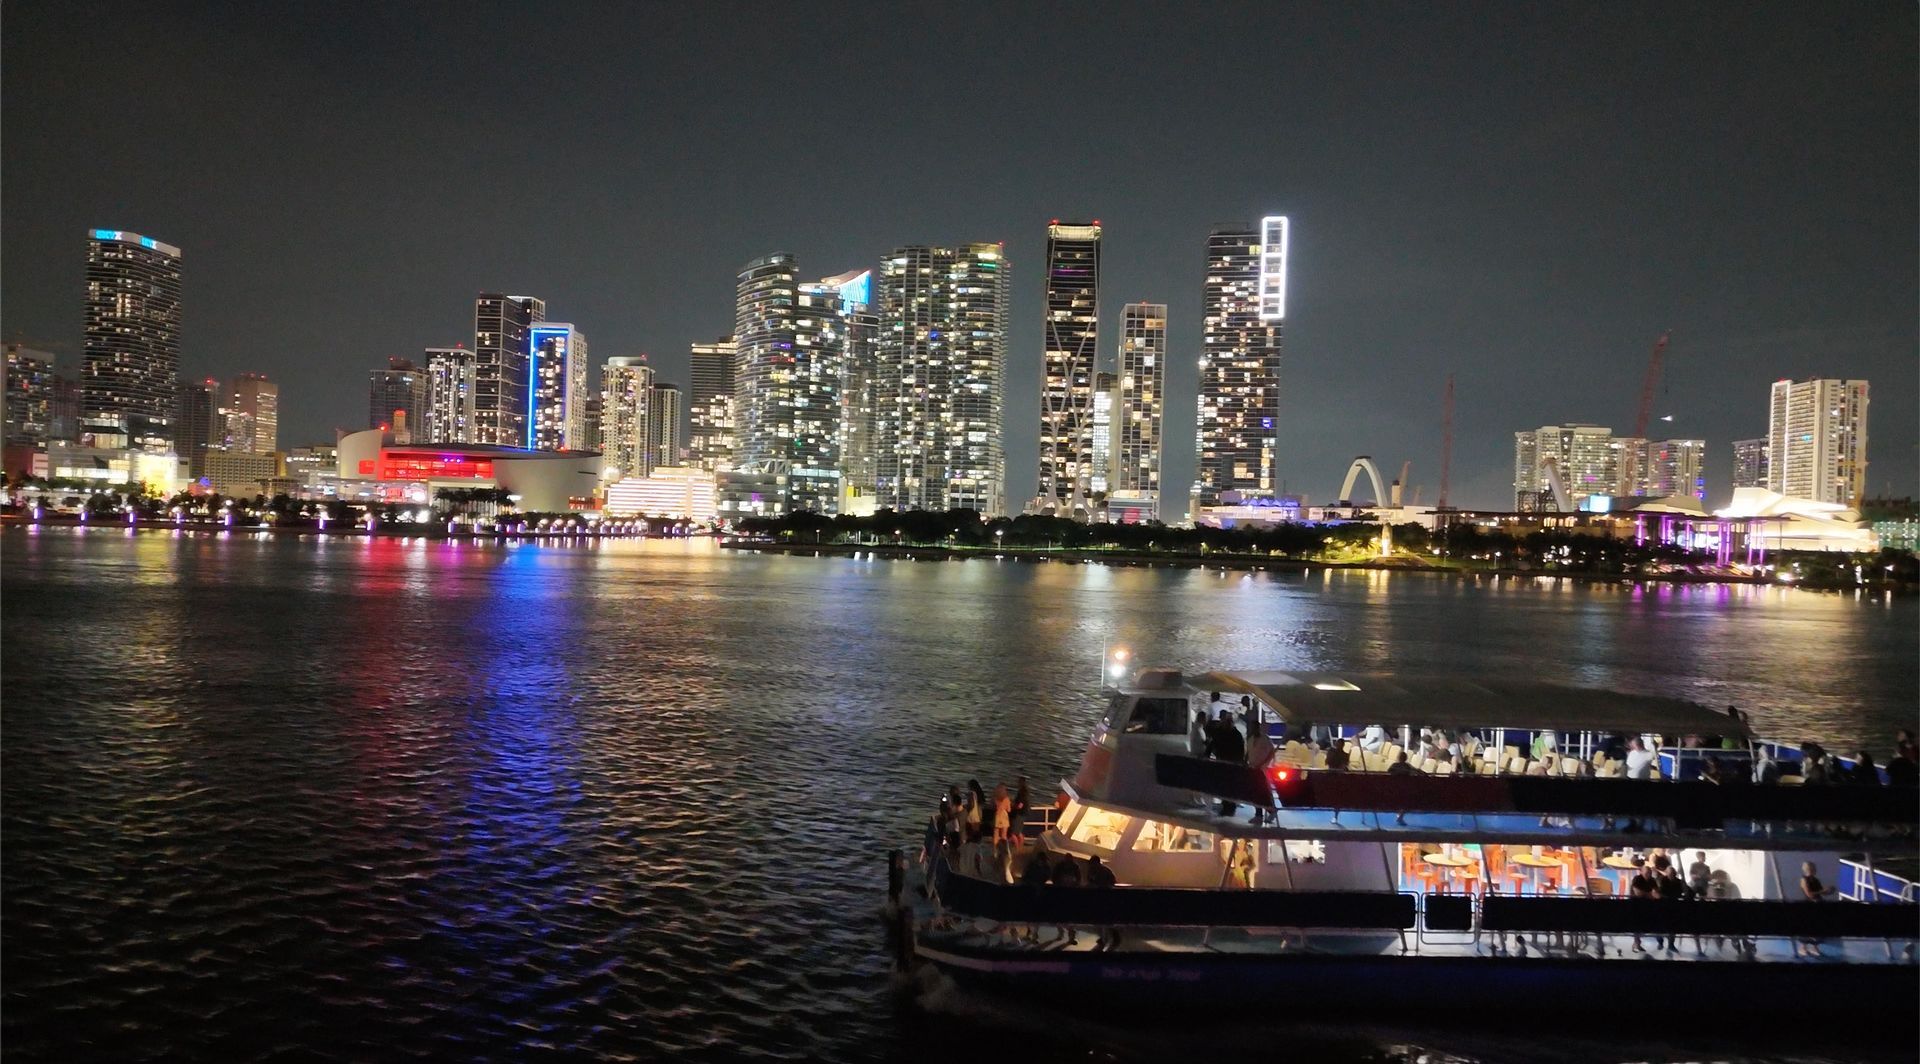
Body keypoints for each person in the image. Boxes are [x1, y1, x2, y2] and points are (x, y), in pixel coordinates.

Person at [1796, 860, 1834, 957]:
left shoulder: (1816, 880)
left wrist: (1829, 891)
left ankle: (1814, 947)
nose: (1814, 870)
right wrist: (1822, 891)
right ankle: (1803, 947)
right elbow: (1809, 894)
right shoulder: (1804, 880)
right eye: (1812, 868)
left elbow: (1821, 892)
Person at [1086, 856, 1120, 950]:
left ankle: (1106, 938)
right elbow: (1113, 881)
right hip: (1104, 897)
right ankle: (1110, 937)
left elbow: (1092, 883)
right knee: (1105, 920)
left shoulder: (1095, 871)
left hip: (1101, 898)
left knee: (1102, 919)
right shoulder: (1105, 870)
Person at [1628, 858, 1656, 953]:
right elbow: (1638, 893)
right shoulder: (1637, 879)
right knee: (1637, 924)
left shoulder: (1652, 880)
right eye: (1647, 872)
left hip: (1647, 905)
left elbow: (1657, 893)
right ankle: (1636, 943)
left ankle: (1637, 942)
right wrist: (1650, 895)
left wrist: (1651, 895)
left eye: (1650, 872)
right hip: (1636, 904)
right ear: (1641, 872)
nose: (1649, 874)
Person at [991, 783, 1013, 851]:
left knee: (995, 835)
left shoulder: (994, 798)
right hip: (1004, 816)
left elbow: (992, 807)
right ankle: (1004, 850)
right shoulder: (1006, 799)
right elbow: (1009, 810)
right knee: (1004, 835)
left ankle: (995, 850)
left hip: (997, 815)